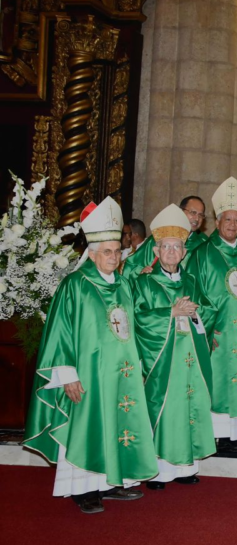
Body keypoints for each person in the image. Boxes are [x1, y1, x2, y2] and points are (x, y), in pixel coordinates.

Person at [24, 197, 155, 513]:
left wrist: (137, 365)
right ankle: (83, 489)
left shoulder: (123, 284)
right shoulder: (75, 285)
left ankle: (111, 482)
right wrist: (67, 375)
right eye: (107, 252)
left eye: (117, 251)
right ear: (92, 253)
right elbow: (60, 331)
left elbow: (130, 329)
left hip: (121, 373)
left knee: (117, 424)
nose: (113, 257)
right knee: (89, 426)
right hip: (88, 374)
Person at [131, 204, 215, 489]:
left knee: (189, 405)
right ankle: (158, 470)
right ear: (156, 251)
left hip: (190, 359)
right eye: (165, 247)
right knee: (164, 408)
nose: (171, 252)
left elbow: (208, 310)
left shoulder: (191, 281)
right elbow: (138, 317)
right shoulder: (144, 282)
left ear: (183, 252)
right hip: (162, 361)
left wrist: (195, 314)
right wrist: (171, 313)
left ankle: (186, 467)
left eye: (176, 247)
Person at [188, 177, 237, 451]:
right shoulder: (201, 254)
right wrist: (203, 331)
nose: (233, 225)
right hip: (217, 334)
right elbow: (194, 295)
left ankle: (235, 435)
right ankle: (217, 436)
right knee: (218, 383)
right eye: (228, 219)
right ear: (218, 220)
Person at [122, 195, 208, 278]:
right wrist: (140, 273)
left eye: (201, 215)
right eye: (193, 213)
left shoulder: (204, 244)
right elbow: (133, 265)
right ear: (181, 211)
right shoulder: (161, 237)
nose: (197, 219)